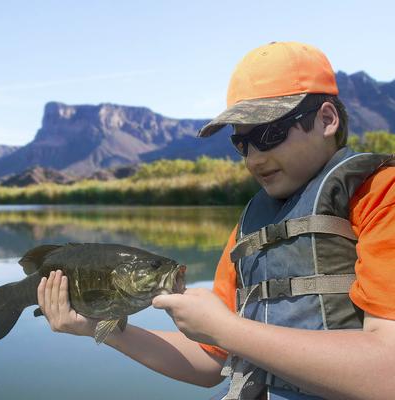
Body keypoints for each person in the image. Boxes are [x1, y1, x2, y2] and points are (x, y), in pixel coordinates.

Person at [36, 41, 395, 400]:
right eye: (242, 143)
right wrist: (106, 329)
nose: (253, 159)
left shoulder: (382, 195)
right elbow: (210, 363)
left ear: (327, 119)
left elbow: (387, 375)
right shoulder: (251, 226)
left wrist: (227, 330)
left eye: (269, 134)